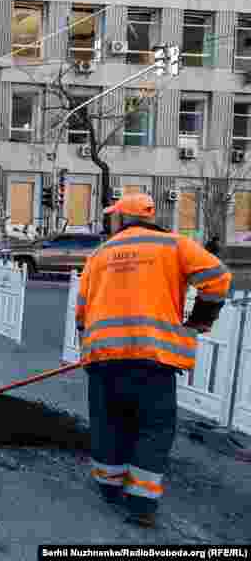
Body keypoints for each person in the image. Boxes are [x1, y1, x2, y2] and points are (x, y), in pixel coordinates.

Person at [76, 192, 231, 528]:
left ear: (121, 218)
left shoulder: (100, 254)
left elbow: (82, 309)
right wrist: (200, 320)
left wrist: (84, 349)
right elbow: (218, 278)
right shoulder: (174, 246)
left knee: (108, 422)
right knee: (153, 426)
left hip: (104, 358)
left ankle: (108, 486)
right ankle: (142, 504)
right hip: (153, 358)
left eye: (112, 217)